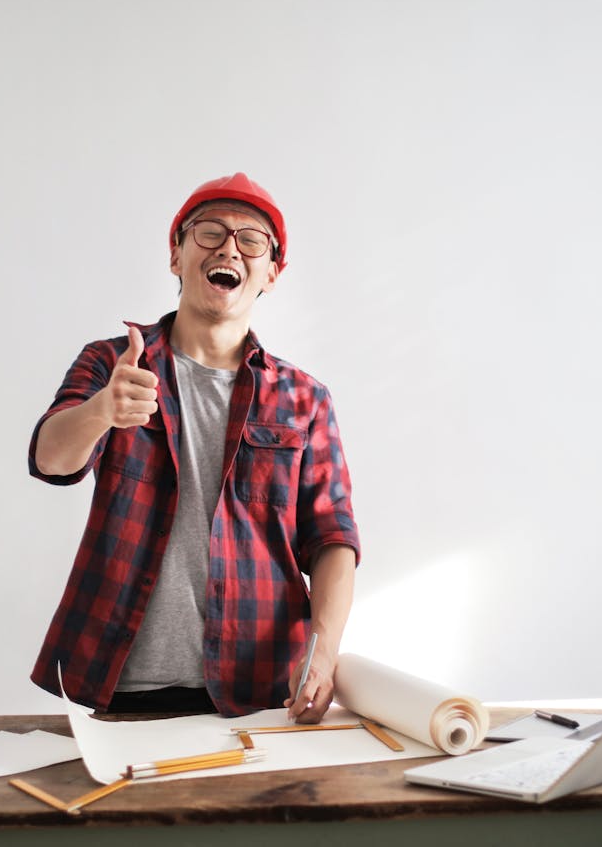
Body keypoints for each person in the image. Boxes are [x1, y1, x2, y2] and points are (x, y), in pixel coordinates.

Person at [28, 173, 360, 722]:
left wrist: (324, 655)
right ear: (176, 255)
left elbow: (333, 539)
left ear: (272, 273)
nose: (229, 246)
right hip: (129, 686)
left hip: (263, 689)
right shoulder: (116, 366)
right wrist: (101, 411)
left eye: (251, 240)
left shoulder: (305, 398)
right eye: (209, 232)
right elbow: (50, 459)